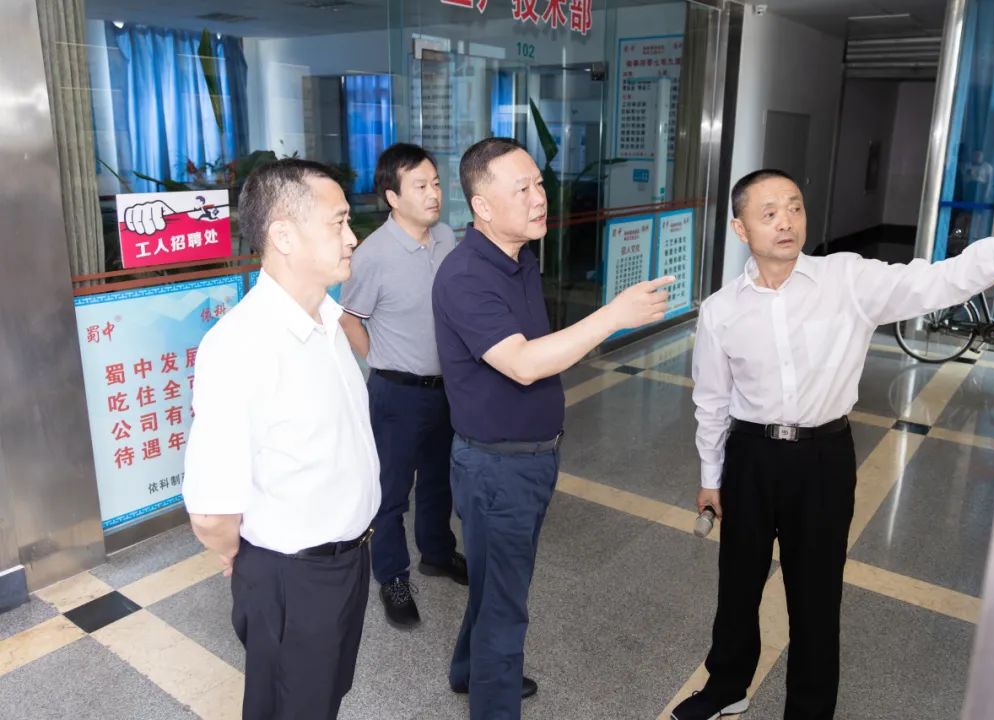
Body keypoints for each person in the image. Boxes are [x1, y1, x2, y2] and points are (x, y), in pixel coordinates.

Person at [672, 168, 994, 720]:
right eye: (769, 213)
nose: (786, 221)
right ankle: (727, 686)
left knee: (816, 594)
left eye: (795, 207)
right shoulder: (722, 309)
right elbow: (712, 400)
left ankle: (809, 709)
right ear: (740, 228)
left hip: (823, 458)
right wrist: (710, 476)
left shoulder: (848, 279)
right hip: (749, 456)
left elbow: (941, 281)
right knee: (738, 584)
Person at [432, 137, 674, 720]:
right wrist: (613, 316)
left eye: (539, 184)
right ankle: (492, 699)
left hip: (529, 458)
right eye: (523, 189)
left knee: (496, 585)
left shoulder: (518, 258)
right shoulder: (465, 276)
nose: (540, 198)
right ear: (482, 205)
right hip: (498, 468)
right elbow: (522, 362)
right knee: (505, 607)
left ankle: (470, 671)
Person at [182, 159, 381, 720]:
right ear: (284, 236)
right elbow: (211, 513)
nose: (352, 237)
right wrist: (249, 561)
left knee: (322, 699)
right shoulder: (240, 345)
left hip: (347, 562)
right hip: (294, 578)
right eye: (338, 223)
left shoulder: (328, 320)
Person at [339, 143, 467, 630]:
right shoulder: (372, 255)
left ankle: (437, 552)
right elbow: (349, 318)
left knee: (439, 479)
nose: (434, 194)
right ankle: (392, 577)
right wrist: (379, 359)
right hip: (397, 394)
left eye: (436, 183)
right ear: (393, 196)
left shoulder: (446, 237)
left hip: (446, 388)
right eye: (420, 186)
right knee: (391, 492)